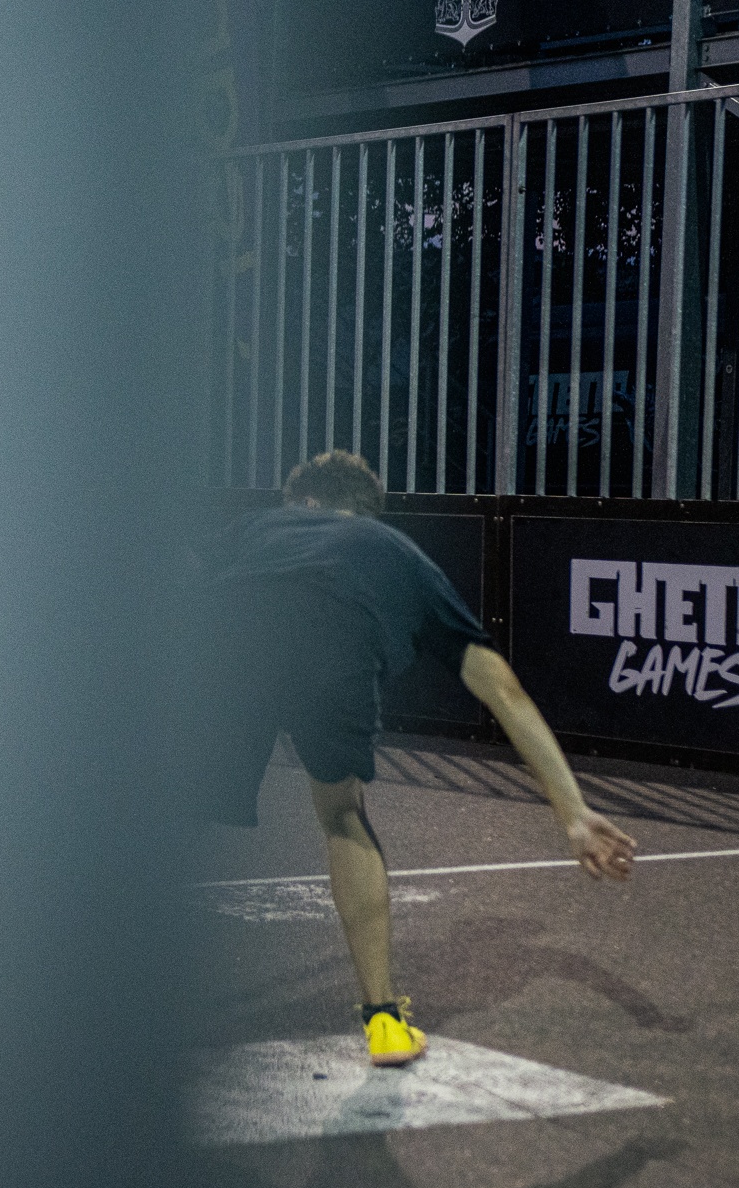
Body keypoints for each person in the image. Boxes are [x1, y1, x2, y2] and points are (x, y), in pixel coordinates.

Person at [206, 450, 636, 1066]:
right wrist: (574, 814)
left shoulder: (254, 528)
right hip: (333, 642)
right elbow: (502, 689)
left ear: (301, 501)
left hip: (224, 633)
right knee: (341, 815)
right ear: (366, 512)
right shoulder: (392, 549)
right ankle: (383, 1021)